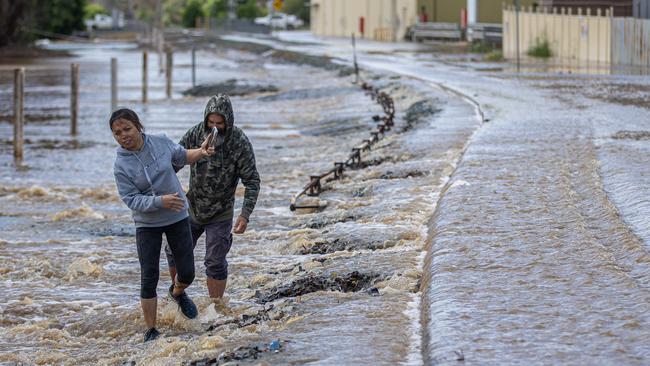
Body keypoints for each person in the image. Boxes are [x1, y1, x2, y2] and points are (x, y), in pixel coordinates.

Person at [110, 108, 215, 342]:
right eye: (117, 133)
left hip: (177, 216)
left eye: (127, 129)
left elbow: (181, 157)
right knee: (149, 276)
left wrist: (201, 152)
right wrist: (160, 201)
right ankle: (151, 329)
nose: (123, 135)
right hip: (146, 224)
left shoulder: (160, 142)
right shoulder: (120, 166)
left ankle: (177, 292)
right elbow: (131, 200)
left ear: (138, 126)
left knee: (187, 272)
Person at [166, 94, 260, 302]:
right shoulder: (194, 134)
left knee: (215, 261)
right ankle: (178, 295)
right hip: (192, 207)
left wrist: (245, 215)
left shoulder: (239, 142)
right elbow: (173, 164)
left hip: (221, 211)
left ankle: (215, 306)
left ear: (228, 121)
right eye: (211, 122)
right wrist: (166, 196)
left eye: (220, 123)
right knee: (174, 251)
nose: (215, 127)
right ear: (206, 120)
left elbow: (252, 181)